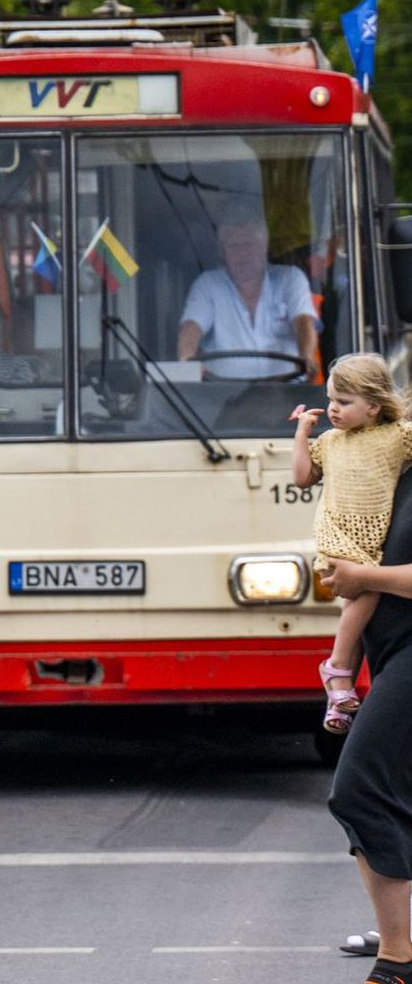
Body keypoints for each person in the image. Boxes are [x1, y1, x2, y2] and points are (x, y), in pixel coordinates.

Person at [320, 462, 412, 984]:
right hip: (390, 651)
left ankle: (399, 963)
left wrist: (365, 579)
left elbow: (370, 570)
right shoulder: (392, 465)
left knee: (359, 791)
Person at [292, 354, 412, 733]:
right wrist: (301, 436)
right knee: (366, 594)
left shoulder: (395, 436)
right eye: (330, 401)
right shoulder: (329, 442)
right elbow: (302, 477)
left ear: (374, 406)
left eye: (344, 403)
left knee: (362, 606)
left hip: (374, 534)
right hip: (338, 532)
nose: (333, 410)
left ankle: (338, 704)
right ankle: (338, 669)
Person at [176, 211, 319, 380]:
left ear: (264, 247)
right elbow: (191, 326)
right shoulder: (208, 284)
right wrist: (186, 360)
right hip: (222, 396)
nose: (242, 253)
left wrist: (307, 356)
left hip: (286, 390)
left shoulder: (290, 278)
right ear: (222, 252)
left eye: (249, 245)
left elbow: (303, 322)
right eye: (234, 246)